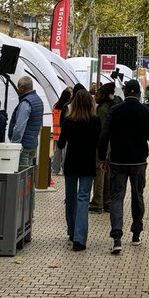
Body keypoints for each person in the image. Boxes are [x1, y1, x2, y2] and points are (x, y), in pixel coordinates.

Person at [99, 79, 149, 253]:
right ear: (139, 94)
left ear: (124, 93)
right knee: (137, 195)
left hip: (118, 160)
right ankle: (136, 234)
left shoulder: (114, 110)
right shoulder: (145, 111)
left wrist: (103, 158)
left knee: (117, 197)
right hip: (139, 161)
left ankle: (117, 237)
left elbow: (104, 135)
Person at [56, 89, 99, 251]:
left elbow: (60, 144)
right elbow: (97, 142)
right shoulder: (95, 121)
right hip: (87, 163)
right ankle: (80, 239)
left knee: (71, 197)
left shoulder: (68, 120)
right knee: (83, 199)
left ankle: (72, 231)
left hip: (71, 162)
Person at [8, 76, 45, 169]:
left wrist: (14, 144)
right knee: (29, 173)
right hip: (33, 143)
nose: (17, 90)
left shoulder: (26, 102)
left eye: (18, 87)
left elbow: (20, 126)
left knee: (23, 174)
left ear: (22, 87)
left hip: (23, 145)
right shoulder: (38, 100)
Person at [91, 82, 117, 211]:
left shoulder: (102, 110)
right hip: (111, 144)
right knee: (107, 172)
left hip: (102, 144)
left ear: (104, 95)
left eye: (98, 93)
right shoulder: (112, 107)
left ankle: (97, 202)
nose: (96, 96)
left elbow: (100, 131)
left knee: (99, 171)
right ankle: (107, 202)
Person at [51, 87, 72, 176]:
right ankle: (64, 170)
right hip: (64, 134)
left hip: (56, 134)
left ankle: (55, 169)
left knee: (57, 153)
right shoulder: (67, 108)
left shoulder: (55, 106)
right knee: (65, 153)